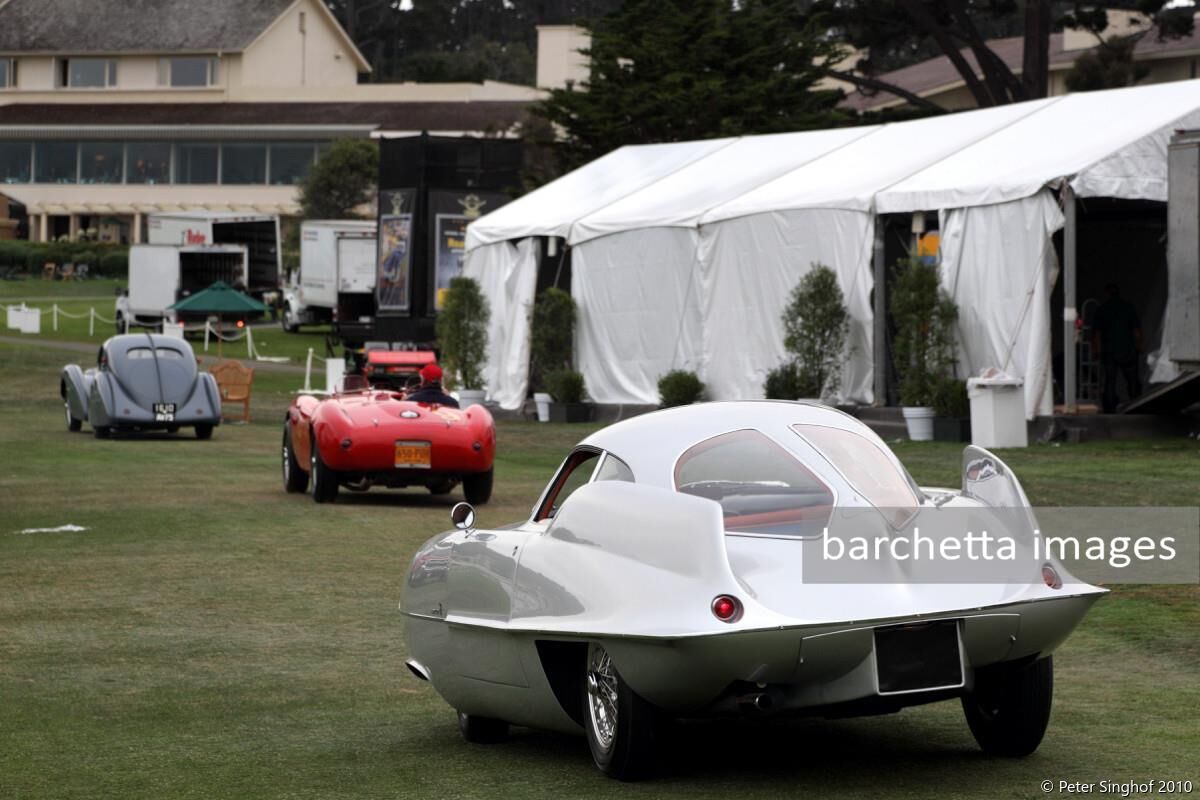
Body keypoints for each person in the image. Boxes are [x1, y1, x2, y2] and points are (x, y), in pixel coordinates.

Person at [1092, 284, 1142, 413]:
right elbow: (1136, 331)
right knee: (1132, 380)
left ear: (1107, 294)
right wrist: (1139, 347)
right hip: (1128, 350)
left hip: (1109, 351)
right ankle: (1137, 405)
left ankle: (1109, 410)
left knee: (1110, 381)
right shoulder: (1128, 307)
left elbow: (1097, 334)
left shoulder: (1102, 310)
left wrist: (1097, 351)